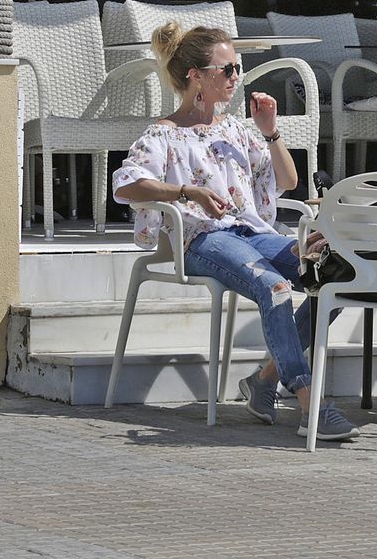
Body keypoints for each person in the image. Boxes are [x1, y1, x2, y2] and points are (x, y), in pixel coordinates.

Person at [112, 22, 359, 441]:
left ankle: (264, 380)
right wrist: (187, 191)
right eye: (227, 70)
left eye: (237, 68)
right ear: (196, 76)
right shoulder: (163, 134)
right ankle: (308, 400)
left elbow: (287, 178)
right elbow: (127, 185)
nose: (236, 77)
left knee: (337, 273)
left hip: (250, 232)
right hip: (200, 239)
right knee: (276, 287)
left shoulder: (233, 129)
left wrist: (270, 131)